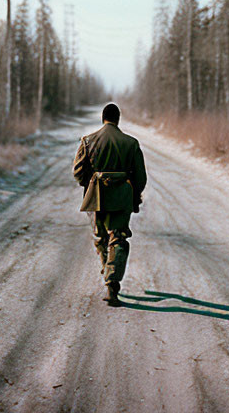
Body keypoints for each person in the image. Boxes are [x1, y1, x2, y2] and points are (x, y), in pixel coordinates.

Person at [73, 103, 147, 307]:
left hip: (97, 196)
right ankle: (112, 283)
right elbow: (140, 177)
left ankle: (107, 269)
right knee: (119, 237)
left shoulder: (88, 141)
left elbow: (78, 172)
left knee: (101, 237)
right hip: (122, 196)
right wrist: (134, 194)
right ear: (118, 119)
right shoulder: (131, 143)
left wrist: (91, 184)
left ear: (102, 118)